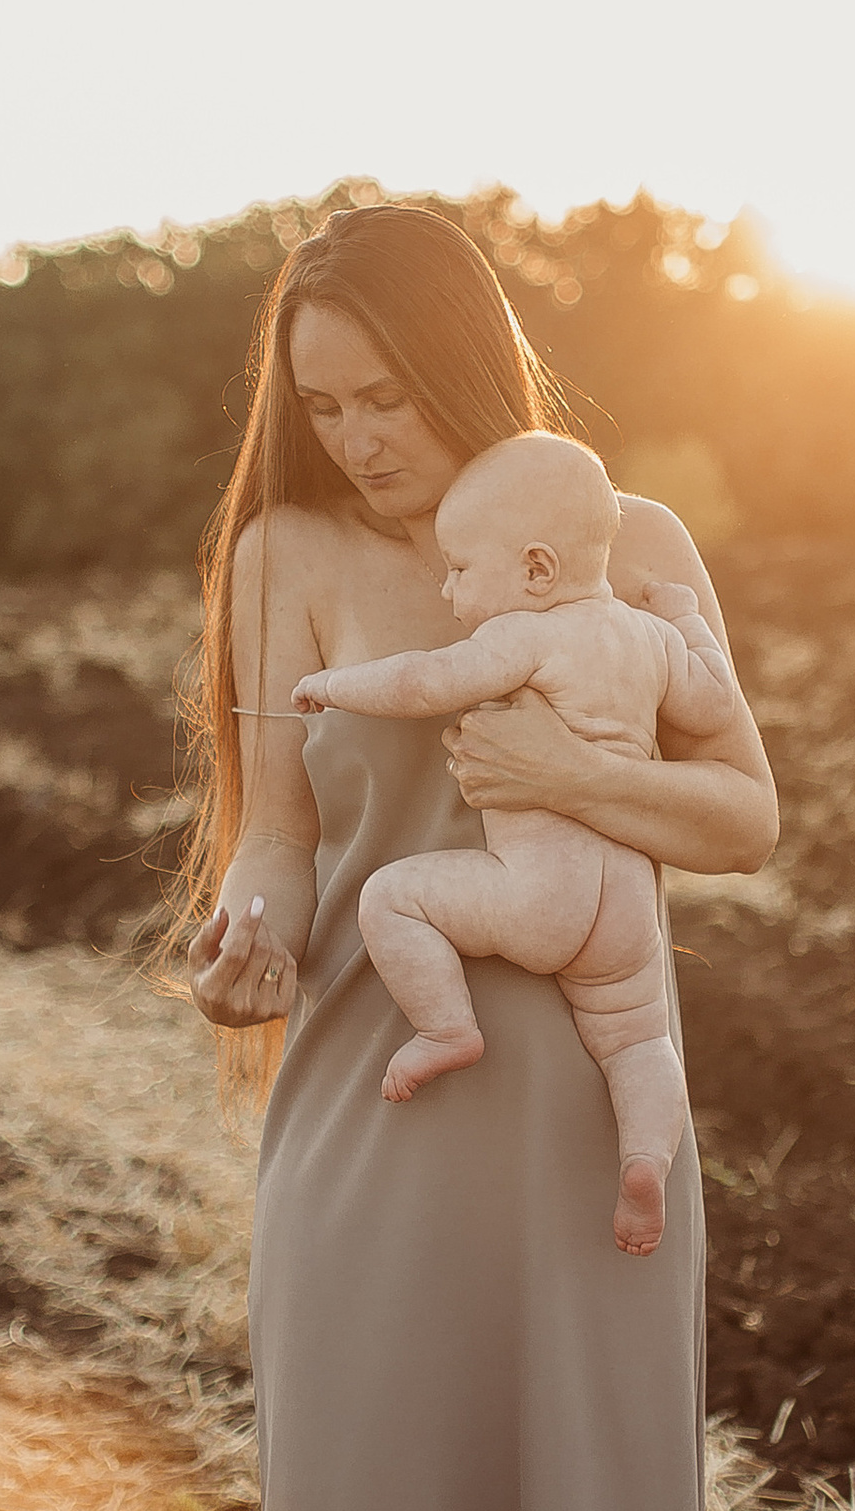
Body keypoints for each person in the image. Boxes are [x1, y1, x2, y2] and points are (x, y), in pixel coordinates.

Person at [163, 203, 778, 1511]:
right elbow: (280, 837)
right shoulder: (284, 558)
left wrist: (562, 777)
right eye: (321, 404)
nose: (355, 439)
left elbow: (741, 815)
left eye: (384, 396)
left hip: (588, 1133)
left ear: (463, 364)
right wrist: (253, 935)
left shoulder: (630, 546)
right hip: (370, 1108)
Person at [287, 428, 742, 1254]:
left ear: (536, 570)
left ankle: (446, 1029)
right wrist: (685, 620)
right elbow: (714, 703)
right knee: (640, 1040)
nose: (450, 588)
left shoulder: (524, 634)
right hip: (626, 907)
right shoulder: (647, 639)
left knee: (393, 898)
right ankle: (644, 1161)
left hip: (539, 895)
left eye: (462, 570)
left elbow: (423, 680)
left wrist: (331, 685)